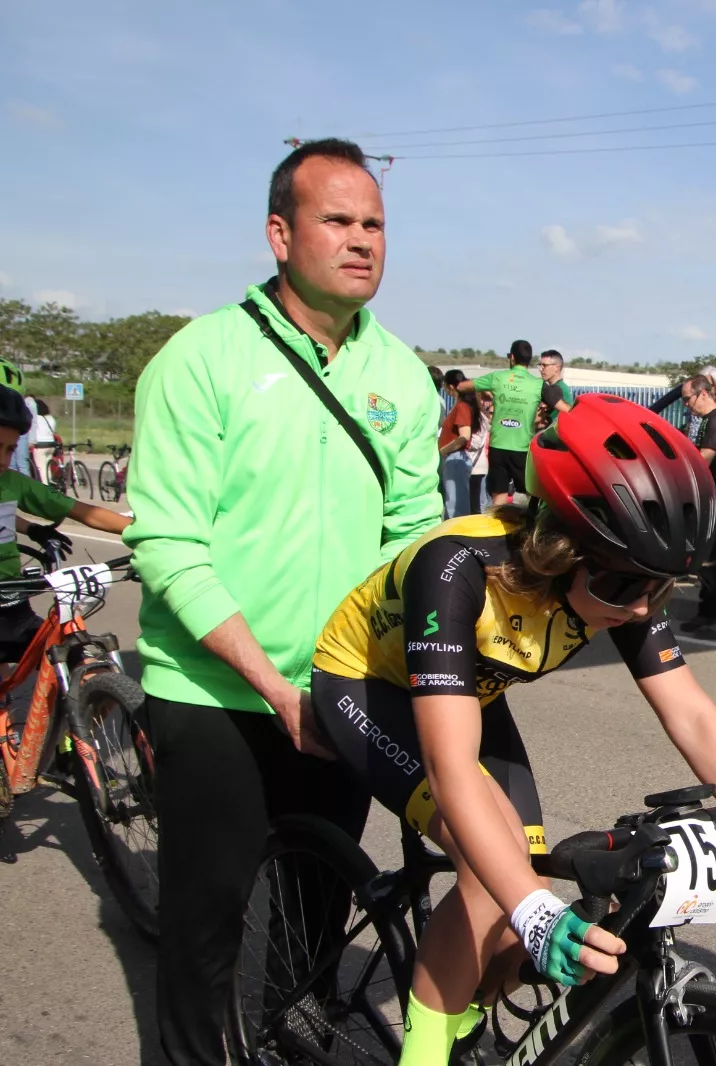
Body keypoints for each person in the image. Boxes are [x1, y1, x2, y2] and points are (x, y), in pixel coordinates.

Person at [309, 396, 716, 1065]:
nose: (638, 605)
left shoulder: (626, 578)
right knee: (499, 878)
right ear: (560, 547)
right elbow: (450, 765)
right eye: (622, 583)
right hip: (370, 688)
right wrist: (531, 910)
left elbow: (689, 711)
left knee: (527, 892)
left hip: (470, 694)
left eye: (659, 589)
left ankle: (466, 1015)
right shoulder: (458, 568)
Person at [125, 137, 442, 1066]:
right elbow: (170, 545)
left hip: (340, 692)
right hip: (215, 692)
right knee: (205, 927)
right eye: (336, 221)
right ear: (279, 233)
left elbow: (411, 538)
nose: (362, 242)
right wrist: (272, 683)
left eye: (374, 224)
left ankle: (280, 1041)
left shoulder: (405, 376)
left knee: (313, 923)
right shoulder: (202, 358)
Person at [0, 387, 132, 680]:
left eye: (10, 449)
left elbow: (81, 510)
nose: (3, 460)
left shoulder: (11, 483)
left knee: (87, 672)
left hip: (11, 604)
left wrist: (147, 532)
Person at [679, 375, 716, 638]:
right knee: (703, 560)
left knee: (712, 560)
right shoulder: (705, 421)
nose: (686, 405)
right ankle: (705, 612)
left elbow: (704, 458)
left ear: (703, 394)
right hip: (706, 497)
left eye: (687, 399)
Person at [456, 341, 542, 505]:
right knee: (531, 496)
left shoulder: (497, 378)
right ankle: (531, 528)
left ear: (512, 357)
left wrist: (485, 391)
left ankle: (500, 529)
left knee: (499, 497)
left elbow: (462, 386)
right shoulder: (537, 385)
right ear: (529, 360)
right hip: (523, 447)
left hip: (499, 446)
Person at [439, 370, 475, 519]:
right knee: (454, 502)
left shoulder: (461, 407)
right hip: (455, 458)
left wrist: (444, 449)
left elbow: (464, 435)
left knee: (455, 505)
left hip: (455, 458)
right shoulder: (461, 406)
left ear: (450, 388)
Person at [534, 349, 575, 430]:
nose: (541, 369)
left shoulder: (561, 389)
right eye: (540, 365)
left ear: (556, 367)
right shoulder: (552, 388)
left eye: (545, 365)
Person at [467, 391, 493, 514]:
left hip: (476, 465)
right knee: (476, 501)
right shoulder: (481, 417)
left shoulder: (479, 418)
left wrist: (460, 442)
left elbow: (476, 443)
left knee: (479, 502)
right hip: (476, 464)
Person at [29, 398, 55, 483]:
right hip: (51, 445)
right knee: (48, 466)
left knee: (41, 467)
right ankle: (50, 481)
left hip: (40, 446)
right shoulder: (51, 418)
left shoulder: (36, 418)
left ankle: (45, 487)